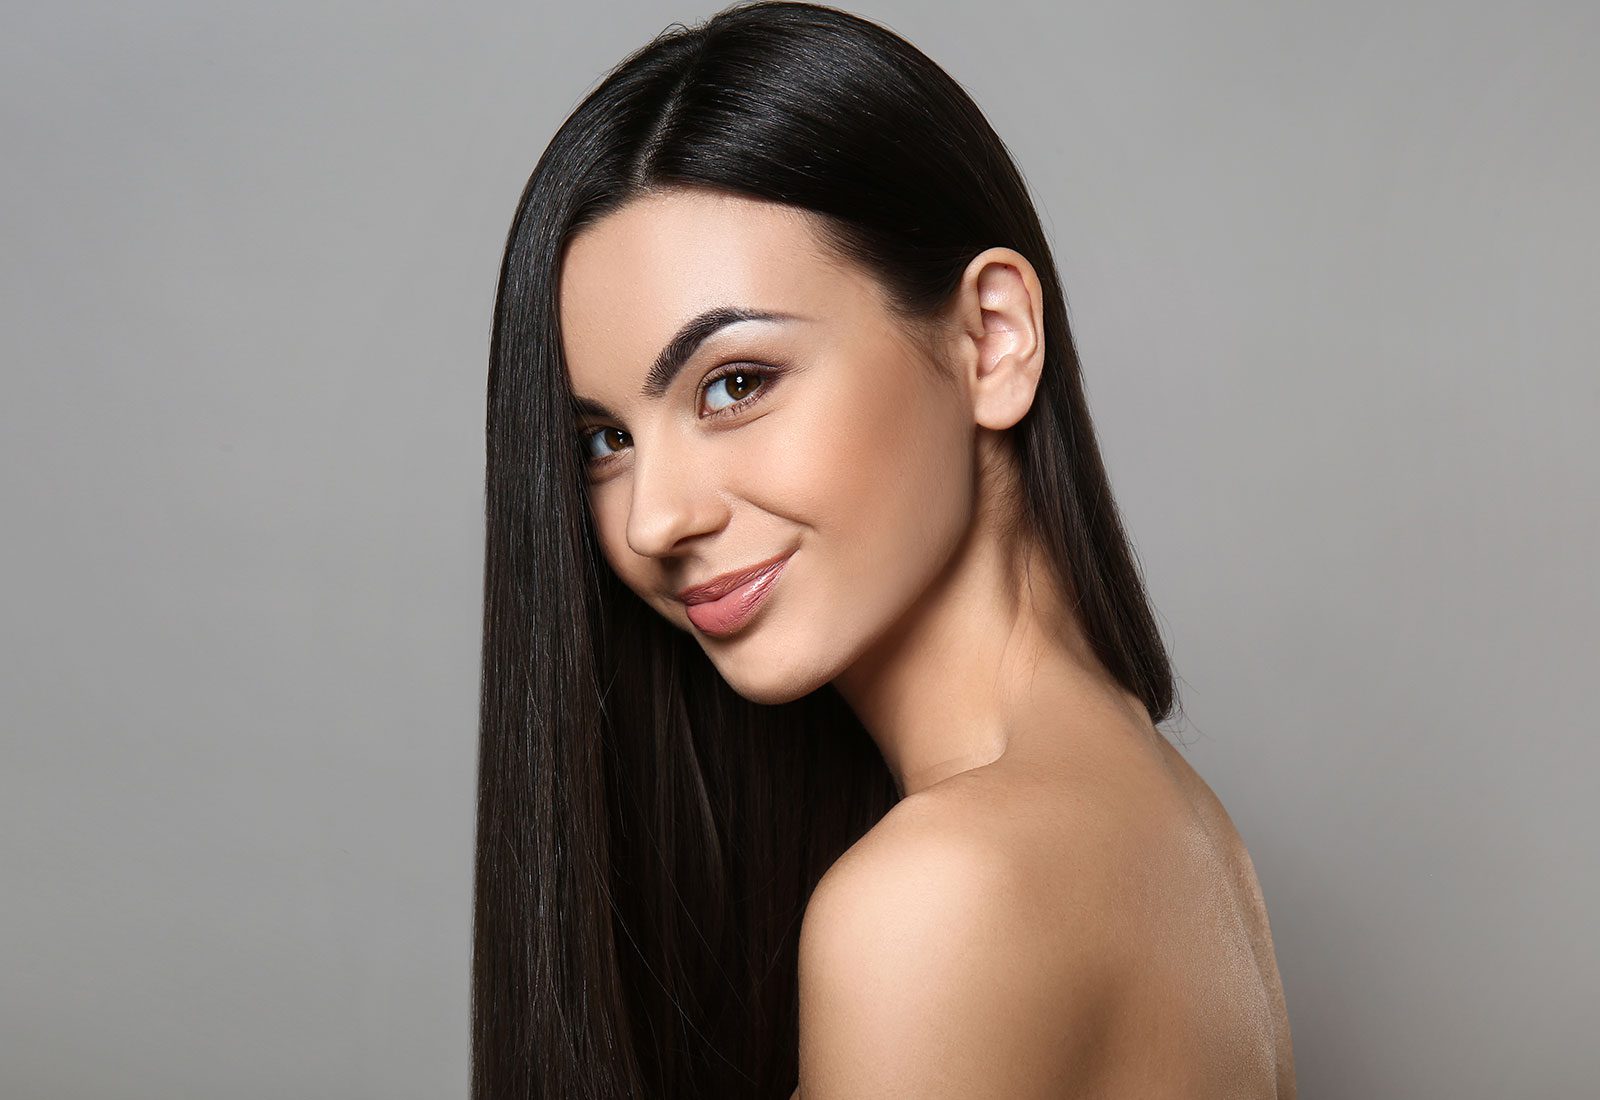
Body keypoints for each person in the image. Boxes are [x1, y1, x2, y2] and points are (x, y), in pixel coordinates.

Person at [475, 3, 1296, 1097]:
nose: (652, 519)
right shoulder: (1182, 831)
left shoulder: (940, 893)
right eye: (605, 440)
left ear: (990, 338)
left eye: (734, 383)